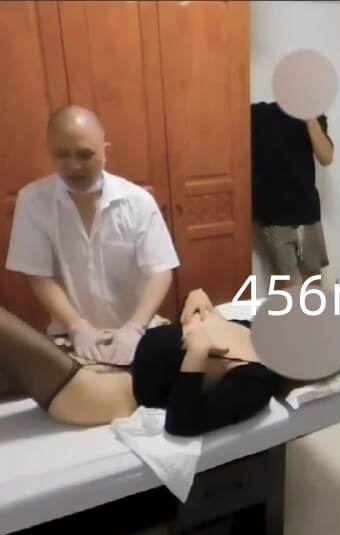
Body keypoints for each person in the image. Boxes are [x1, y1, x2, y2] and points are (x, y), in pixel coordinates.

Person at [6, 105, 180, 366]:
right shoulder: (32, 201)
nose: (74, 165)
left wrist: (134, 328)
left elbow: (161, 270)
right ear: (50, 152)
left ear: (105, 151)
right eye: (62, 155)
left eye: (85, 154)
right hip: (69, 335)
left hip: (137, 333)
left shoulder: (138, 201)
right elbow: (39, 275)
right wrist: (76, 325)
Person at [0, 288, 280, 437]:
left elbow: (184, 423)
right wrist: (193, 301)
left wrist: (197, 352)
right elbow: (180, 338)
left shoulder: (256, 382)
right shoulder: (249, 327)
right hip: (106, 356)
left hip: (103, 392)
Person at [251, 101, 334, 288]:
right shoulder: (260, 114)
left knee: (314, 283)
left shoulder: (315, 116)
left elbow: (326, 157)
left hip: (308, 212)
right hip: (274, 216)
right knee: (287, 286)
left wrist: (309, 119)